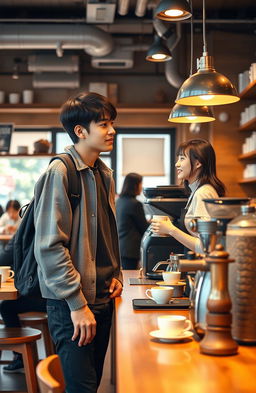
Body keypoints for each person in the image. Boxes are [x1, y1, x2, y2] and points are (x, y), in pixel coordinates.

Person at [33, 92, 123, 393]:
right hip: (72, 305)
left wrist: (116, 275)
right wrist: (77, 304)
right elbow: (49, 246)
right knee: (81, 389)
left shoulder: (102, 173)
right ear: (80, 131)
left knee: (91, 386)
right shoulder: (60, 172)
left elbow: (109, 235)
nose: (112, 131)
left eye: (112, 123)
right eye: (104, 124)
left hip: (101, 300)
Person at [151, 139, 225, 254]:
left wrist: (171, 230)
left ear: (197, 163)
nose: (177, 164)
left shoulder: (203, 193)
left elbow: (207, 247)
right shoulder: (196, 191)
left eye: (182, 158)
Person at [0, 238, 47, 373]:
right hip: (52, 295)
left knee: (6, 307)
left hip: (45, 297)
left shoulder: (27, 228)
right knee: (7, 305)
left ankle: (20, 357)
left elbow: (3, 259)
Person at [116, 173, 149, 269]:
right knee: (129, 277)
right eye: (141, 184)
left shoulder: (119, 201)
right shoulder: (135, 204)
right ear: (135, 185)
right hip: (130, 250)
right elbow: (144, 228)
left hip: (120, 247)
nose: (141, 187)